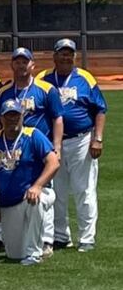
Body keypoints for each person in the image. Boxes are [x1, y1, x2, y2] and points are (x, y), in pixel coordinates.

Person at [36, 38, 106, 253]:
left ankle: (87, 238)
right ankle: (60, 236)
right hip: (53, 143)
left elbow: (100, 109)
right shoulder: (44, 78)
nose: (66, 57)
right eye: (62, 53)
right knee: (57, 191)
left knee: (84, 190)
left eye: (70, 54)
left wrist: (98, 138)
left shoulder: (85, 78)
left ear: (74, 57)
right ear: (54, 56)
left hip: (81, 140)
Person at [0, 47, 63, 251]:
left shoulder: (46, 89)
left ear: (32, 65)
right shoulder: (4, 92)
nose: (21, 65)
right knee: (14, 190)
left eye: (25, 61)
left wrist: (57, 146)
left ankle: (47, 240)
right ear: (12, 65)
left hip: (39, 146)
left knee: (43, 191)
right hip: (12, 147)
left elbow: (57, 117)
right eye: (17, 61)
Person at [0, 100, 60, 265]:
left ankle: (34, 252)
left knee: (38, 199)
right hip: (8, 202)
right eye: (8, 116)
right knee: (14, 254)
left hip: (32, 194)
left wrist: (38, 185)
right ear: (1, 118)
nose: (12, 119)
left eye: (16, 115)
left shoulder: (33, 134)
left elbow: (53, 162)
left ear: (22, 116)